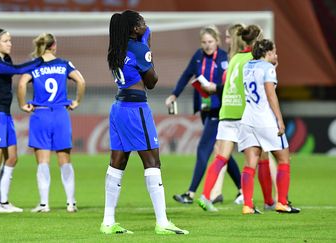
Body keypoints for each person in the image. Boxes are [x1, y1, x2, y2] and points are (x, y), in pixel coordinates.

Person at [100, 10, 188, 235]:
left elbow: (146, 33)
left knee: (117, 162)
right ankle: (162, 222)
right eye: (141, 23)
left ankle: (108, 222)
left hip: (118, 107)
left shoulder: (115, 50)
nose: (145, 25)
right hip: (135, 109)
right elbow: (152, 82)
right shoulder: (140, 49)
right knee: (153, 162)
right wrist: (148, 53)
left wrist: (144, 38)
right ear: (133, 29)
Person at [197, 25, 277, 213]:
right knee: (259, 158)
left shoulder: (232, 60)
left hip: (226, 112)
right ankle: (267, 201)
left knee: (220, 157)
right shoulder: (253, 60)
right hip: (244, 113)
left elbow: (226, 82)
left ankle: (205, 195)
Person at [166, 26, 242, 205]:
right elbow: (186, 75)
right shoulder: (198, 56)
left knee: (203, 148)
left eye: (210, 42)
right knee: (224, 152)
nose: (207, 45)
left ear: (217, 41)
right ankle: (241, 189)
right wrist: (174, 94)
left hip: (219, 109)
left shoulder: (225, 58)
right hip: (205, 108)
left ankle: (191, 193)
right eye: (204, 42)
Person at [0, 28, 49, 213]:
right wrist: (41, 59)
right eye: (5, 41)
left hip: (5, 115)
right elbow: (18, 70)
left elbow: (14, 68)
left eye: (10, 40)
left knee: (12, 158)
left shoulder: (5, 59)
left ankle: (4, 201)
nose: (10, 43)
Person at [17, 33, 85, 213]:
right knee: (65, 160)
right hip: (61, 114)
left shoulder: (33, 65)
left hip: (41, 114)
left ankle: (44, 204)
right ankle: (71, 203)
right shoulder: (64, 64)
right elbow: (81, 81)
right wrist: (77, 101)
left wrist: (23, 105)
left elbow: (22, 84)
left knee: (42, 161)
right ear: (54, 45)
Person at [238, 39, 300, 214]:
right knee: (284, 159)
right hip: (264, 120)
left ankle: (247, 205)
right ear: (267, 53)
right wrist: (279, 120)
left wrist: (273, 67)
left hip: (248, 119)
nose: (276, 55)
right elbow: (270, 94)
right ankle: (282, 202)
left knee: (250, 163)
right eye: (274, 52)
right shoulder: (268, 69)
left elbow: (257, 81)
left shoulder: (247, 66)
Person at [209, 23, 247, 203]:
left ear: (236, 38)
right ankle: (213, 193)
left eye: (228, 37)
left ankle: (274, 198)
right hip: (231, 113)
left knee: (259, 155)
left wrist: (215, 88)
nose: (225, 40)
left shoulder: (242, 59)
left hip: (244, 114)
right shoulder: (233, 59)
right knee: (222, 153)